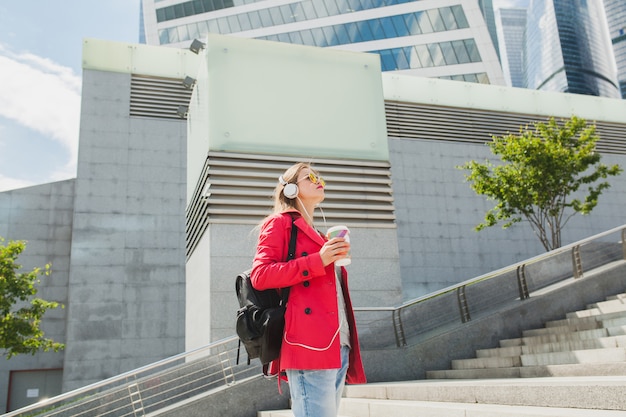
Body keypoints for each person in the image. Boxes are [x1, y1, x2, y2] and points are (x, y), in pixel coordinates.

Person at [250, 162, 366, 417]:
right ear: (290, 189)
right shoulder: (280, 223)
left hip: (338, 342)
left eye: (319, 176)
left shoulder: (320, 235)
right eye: (309, 177)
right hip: (308, 343)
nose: (318, 179)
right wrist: (318, 260)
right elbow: (260, 275)